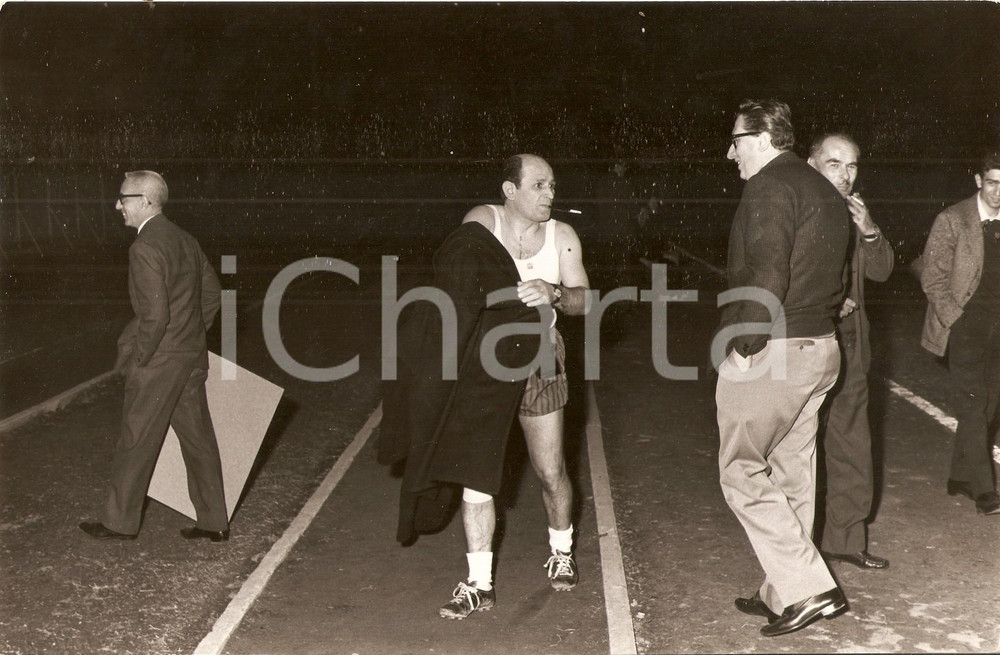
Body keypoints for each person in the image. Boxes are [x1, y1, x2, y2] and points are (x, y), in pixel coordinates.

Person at [379, 154, 590, 620]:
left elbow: (583, 301)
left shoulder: (563, 237)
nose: (550, 195)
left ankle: (562, 549)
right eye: (539, 185)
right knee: (476, 472)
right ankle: (479, 583)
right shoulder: (481, 221)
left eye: (553, 186)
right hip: (485, 359)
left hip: (539, 358)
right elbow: (457, 281)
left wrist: (552, 293)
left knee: (550, 470)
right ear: (509, 191)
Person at [715, 100, 850, 636]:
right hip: (821, 348)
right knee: (793, 469)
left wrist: (744, 344)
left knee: (740, 470)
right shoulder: (823, 187)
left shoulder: (769, 186)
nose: (731, 153)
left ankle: (809, 588)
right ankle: (781, 589)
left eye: (737, 140)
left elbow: (767, 273)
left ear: (764, 139)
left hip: (776, 348)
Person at [80, 171, 229, 542]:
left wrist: (141, 358)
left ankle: (118, 523)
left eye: (124, 198)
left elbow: (155, 316)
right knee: (198, 441)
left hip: (160, 361)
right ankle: (214, 522)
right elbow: (212, 296)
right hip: (190, 357)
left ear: (146, 201)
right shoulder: (186, 239)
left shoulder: (144, 247)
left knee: (136, 437)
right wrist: (191, 335)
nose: (118, 205)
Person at [807, 133, 894, 569]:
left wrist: (871, 231)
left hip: (850, 343)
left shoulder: (854, 213)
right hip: (806, 340)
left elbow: (882, 272)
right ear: (812, 163)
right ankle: (800, 546)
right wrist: (827, 298)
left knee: (852, 441)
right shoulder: (798, 206)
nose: (845, 174)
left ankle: (845, 537)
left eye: (852, 165)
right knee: (800, 446)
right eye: (834, 163)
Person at [919, 151, 1000, 516]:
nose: (999, 192)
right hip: (964, 327)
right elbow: (932, 279)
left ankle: (959, 476)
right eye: (993, 183)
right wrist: (956, 319)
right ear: (978, 181)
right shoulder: (952, 219)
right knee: (972, 404)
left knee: (988, 406)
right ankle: (985, 490)